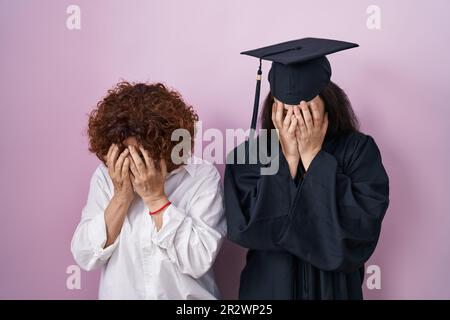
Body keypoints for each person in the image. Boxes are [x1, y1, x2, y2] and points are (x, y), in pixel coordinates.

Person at [224, 38, 390, 299]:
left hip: (334, 291)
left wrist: (314, 157)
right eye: (286, 111)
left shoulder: (358, 151)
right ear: (273, 109)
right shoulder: (250, 156)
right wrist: (287, 158)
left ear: (327, 104)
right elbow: (247, 229)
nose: (296, 120)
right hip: (268, 292)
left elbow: (360, 229)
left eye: (306, 110)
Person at [71, 81, 226, 299]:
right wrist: (120, 198)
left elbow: (198, 259)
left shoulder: (201, 176)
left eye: (142, 154)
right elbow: (85, 256)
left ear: (165, 147)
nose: (133, 163)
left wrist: (156, 199)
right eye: (126, 153)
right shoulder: (105, 177)